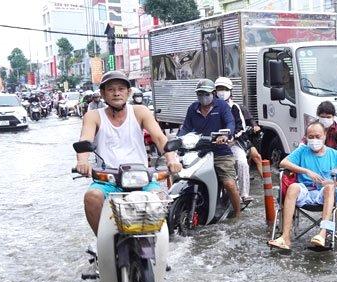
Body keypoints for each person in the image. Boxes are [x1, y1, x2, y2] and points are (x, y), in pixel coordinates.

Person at [75, 71, 182, 235]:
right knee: (92, 197)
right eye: (111, 89)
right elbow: (85, 140)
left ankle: (158, 245)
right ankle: (102, 241)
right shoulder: (93, 116)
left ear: (128, 92)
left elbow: (160, 138)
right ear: (103, 93)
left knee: (159, 198)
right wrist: (83, 161)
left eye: (121, 89)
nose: (116, 93)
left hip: (142, 177)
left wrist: (171, 159)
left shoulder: (140, 111)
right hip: (108, 180)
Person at [267, 122, 337, 251]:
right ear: (306, 137)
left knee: (331, 188)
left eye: (317, 136)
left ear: (324, 135)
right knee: (293, 187)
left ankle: (322, 234)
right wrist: (306, 171)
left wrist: (329, 183)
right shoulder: (302, 151)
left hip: (324, 193)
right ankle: (285, 237)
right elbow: (283, 163)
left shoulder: (334, 155)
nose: (314, 140)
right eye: (311, 137)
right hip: (305, 191)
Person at [178, 79, 242, 217]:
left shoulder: (222, 106)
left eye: (205, 93)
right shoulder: (193, 108)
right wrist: (178, 140)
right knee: (179, 174)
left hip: (220, 152)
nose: (203, 96)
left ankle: (238, 213)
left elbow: (230, 123)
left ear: (213, 93)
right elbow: (186, 128)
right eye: (199, 93)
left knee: (229, 184)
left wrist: (225, 135)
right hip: (199, 152)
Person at [215, 76, 262, 203]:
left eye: (224, 89)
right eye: (219, 89)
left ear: (230, 91)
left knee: (243, 162)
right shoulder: (209, 107)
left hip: (234, 143)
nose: (221, 91)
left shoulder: (236, 107)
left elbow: (241, 126)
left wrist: (231, 137)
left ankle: (244, 193)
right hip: (212, 145)